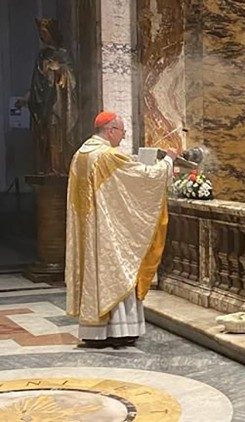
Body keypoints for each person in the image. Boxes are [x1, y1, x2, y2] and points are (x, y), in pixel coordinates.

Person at [66, 111, 178, 348]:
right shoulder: (106, 155)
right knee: (120, 269)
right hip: (108, 232)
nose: (123, 136)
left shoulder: (81, 154)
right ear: (110, 130)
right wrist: (167, 161)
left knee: (97, 276)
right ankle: (119, 330)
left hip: (89, 231)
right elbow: (143, 178)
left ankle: (96, 332)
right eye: (122, 132)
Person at [26, 18, 79, 175]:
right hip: (44, 103)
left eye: (45, 33)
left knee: (58, 134)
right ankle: (47, 167)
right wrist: (44, 74)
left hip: (58, 104)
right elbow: (36, 80)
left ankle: (59, 167)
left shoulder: (62, 54)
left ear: (52, 33)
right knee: (46, 136)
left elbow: (72, 78)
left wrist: (59, 70)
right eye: (41, 34)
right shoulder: (41, 55)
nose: (43, 37)